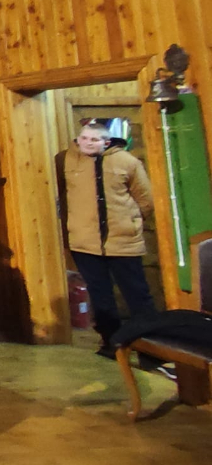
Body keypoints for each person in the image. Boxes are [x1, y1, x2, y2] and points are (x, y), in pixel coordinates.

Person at [57, 120, 155, 357]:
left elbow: (145, 199)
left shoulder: (127, 162)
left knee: (137, 295)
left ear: (106, 142)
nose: (88, 143)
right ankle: (111, 343)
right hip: (85, 242)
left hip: (123, 241)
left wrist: (130, 222)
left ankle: (151, 347)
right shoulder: (65, 160)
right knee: (100, 295)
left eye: (94, 139)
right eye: (84, 138)